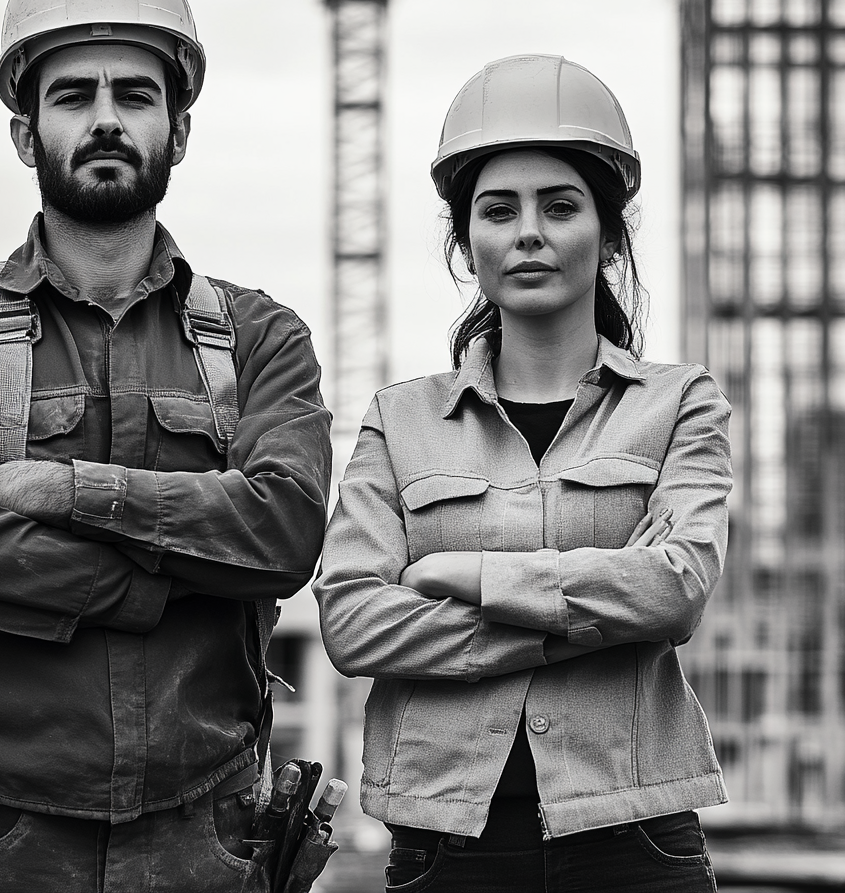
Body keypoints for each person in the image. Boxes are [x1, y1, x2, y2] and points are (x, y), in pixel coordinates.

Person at [0, 0, 332, 893]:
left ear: (180, 128)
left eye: (135, 94)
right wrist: (162, 580)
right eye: (73, 94)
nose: (106, 119)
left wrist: (65, 491)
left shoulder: (260, 338)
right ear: (24, 132)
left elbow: (286, 532)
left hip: (207, 834)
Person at [313, 54, 731, 892]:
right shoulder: (401, 421)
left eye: (561, 206)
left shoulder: (679, 404)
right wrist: (593, 613)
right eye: (498, 210)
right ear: (467, 242)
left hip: (635, 837)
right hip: (445, 846)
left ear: (610, 235)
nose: (528, 231)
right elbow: (353, 621)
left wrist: (459, 573)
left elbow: (676, 589)